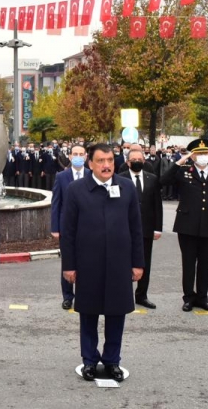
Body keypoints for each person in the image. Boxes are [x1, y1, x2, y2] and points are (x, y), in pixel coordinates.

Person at [61, 143, 144, 382]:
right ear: (90, 164)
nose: (106, 165)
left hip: (119, 264)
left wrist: (138, 263)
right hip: (88, 264)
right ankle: (89, 360)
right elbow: (69, 231)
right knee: (88, 313)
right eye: (100, 161)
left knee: (116, 313)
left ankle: (112, 361)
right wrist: (69, 265)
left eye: (109, 160)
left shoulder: (126, 188)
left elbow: (136, 229)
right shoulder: (77, 190)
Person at [161, 139, 208, 312]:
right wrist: (181, 160)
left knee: (205, 264)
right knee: (188, 263)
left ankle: (203, 298)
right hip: (187, 224)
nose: (203, 156)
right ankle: (188, 297)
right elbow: (163, 181)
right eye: (199, 153)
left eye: (206, 153)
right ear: (193, 155)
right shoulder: (183, 171)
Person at [119, 148, 163, 309]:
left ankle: (142, 295)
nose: (136, 161)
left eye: (139, 158)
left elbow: (157, 205)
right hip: (124, 228)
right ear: (127, 162)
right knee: (124, 262)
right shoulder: (119, 179)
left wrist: (158, 228)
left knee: (144, 262)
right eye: (133, 159)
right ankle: (124, 294)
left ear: (144, 161)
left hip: (146, 228)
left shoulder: (152, 179)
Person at [51, 143, 87, 310]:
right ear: (70, 156)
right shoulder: (61, 177)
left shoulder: (91, 175)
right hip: (67, 228)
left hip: (88, 227)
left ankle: (83, 295)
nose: (78, 157)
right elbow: (56, 204)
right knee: (68, 262)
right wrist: (55, 228)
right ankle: (67, 296)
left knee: (86, 262)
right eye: (75, 154)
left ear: (86, 157)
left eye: (81, 154)